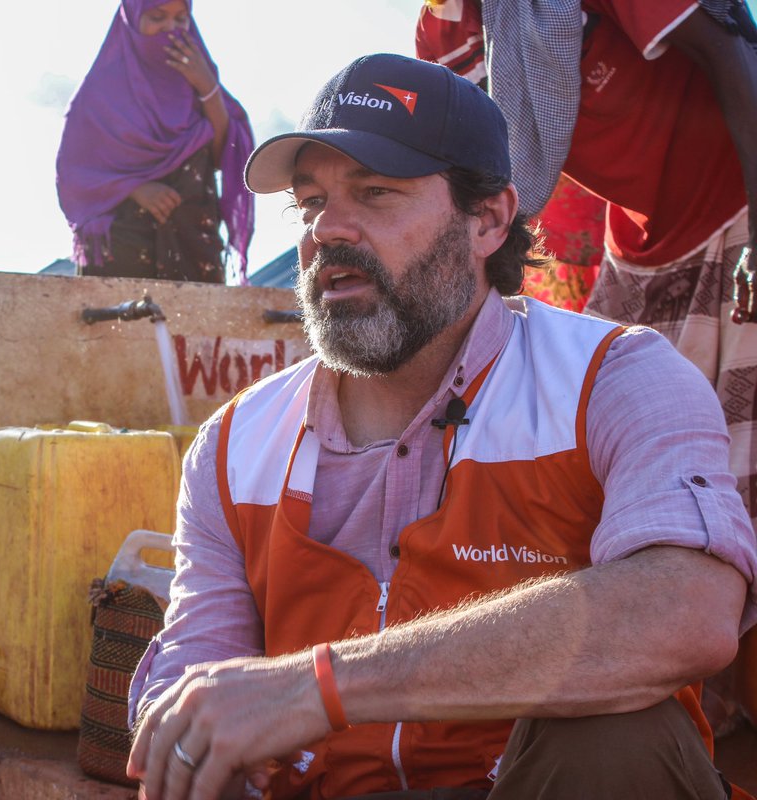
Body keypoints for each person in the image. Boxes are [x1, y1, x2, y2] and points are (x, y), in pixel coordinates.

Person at [125, 54, 757, 800]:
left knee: (616, 732)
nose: (327, 229)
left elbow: (685, 612)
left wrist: (321, 687)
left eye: (376, 192)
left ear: (487, 220)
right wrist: (197, 739)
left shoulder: (615, 379)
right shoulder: (236, 445)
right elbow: (192, 681)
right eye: (311, 202)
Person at [420, 0, 757, 524]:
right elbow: (462, 184)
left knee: (738, 475)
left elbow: (731, 50)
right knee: (612, 457)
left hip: (736, 205)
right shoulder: (439, 32)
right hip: (638, 247)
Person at [415, 1, 607, 313]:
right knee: (549, 339)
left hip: (605, 191)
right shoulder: (434, 26)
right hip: (524, 226)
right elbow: (446, 144)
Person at [55, 0, 254, 284]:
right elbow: (73, 177)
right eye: (157, 17)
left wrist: (207, 87)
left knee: (197, 329)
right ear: (133, 20)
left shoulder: (201, 83)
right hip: (122, 256)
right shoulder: (98, 95)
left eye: (181, 19)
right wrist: (135, 188)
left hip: (195, 251)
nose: (170, 29)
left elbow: (228, 157)